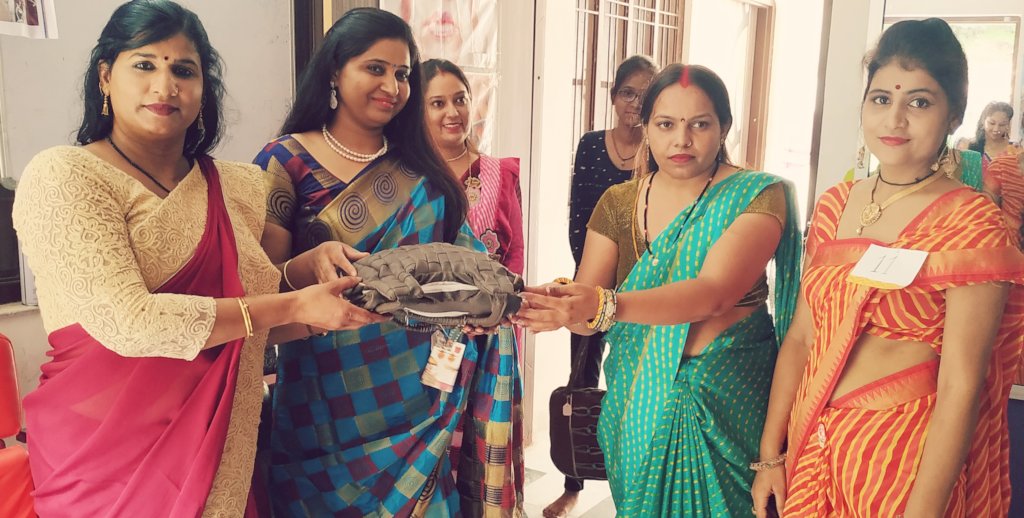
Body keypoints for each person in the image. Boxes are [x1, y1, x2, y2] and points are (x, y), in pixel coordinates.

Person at [10, 2, 383, 516]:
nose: (164, 86)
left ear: (204, 88)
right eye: (144, 65)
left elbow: (246, 322)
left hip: (220, 443)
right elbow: (130, 323)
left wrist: (308, 275)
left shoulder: (238, 186)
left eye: (184, 70)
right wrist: (295, 305)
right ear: (105, 76)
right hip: (105, 457)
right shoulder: (65, 176)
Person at [254, 8, 522, 516]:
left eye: (402, 73)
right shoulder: (284, 162)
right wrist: (309, 265)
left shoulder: (420, 166)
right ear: (335, 71)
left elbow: (466, 263)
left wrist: (496, 302)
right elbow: (263, 292)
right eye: (374, 68)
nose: (392, 86)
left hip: (420, 401)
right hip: (323, 405)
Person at [752, 18, 1024, 518]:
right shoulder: (835, 205)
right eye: (881, 99)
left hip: (903, 462)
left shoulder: (971, 222)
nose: (894, 119)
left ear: (953, 115)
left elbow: (962, 384)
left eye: (919, 102)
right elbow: (803, 338)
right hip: (815, 447)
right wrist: (771, 454)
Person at [514, 64, 803, 517]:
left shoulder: (757, 195)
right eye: (666, 125)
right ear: (645, 127)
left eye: (699, 125)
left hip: (729, 403)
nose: (681, 140)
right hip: (638, 408)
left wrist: (603, 305)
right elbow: (589, 315)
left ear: (724, 127)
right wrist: (556, 306)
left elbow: (713, 294)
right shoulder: (619, 203)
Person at [546, 55, 656, 518]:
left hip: (644, 290)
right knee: (581, 380)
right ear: (613, 97)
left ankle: (635, 480)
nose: (636, 103)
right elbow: (579, 218)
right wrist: (594, 279)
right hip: (591, 282)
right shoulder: (591, 145)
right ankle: (573, 483)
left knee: (635, 385)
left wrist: (631, 283)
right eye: (628, 92)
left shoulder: (660, 148)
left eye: (645, 95)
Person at [422, 58, 524, 274]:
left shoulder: (501, 173)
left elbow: (516, 253)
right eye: (438, 103)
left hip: (496, 292)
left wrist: (509, 291)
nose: (453, 112)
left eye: (460, 100)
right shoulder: (409, 175)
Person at [969, 101, 1020, 173]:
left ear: (1008, 125)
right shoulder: (971, 146)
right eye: (992, 123)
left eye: (1002, 125)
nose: (996, 129)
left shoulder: (1015, 149)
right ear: (983, 122)